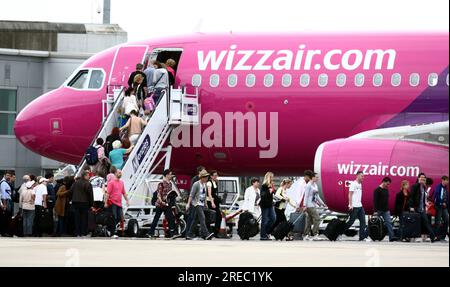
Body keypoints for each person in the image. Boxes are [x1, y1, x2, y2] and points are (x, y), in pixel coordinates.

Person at [185, 170, 214, 240]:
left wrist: (206, 204)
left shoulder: (204, 185)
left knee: (195, 220)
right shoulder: (196, 184)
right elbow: (191, 195)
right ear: (202, 177)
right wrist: (188, 204)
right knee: (202, 218)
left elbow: (204, 195)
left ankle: (189, 234)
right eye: (206, 177)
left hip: (201, 204)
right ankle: (206, 234)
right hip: (196, 204)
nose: (207, 178)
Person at [147, 169, 176, 238]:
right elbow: (158, 194)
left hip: (166, 204)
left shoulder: (170, 184)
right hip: (160, 204)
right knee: (156, 218)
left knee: (170, 218)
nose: (171, 175)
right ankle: (150, 233)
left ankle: (172, 233)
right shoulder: (161, 184)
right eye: (170, 174)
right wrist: (161, 201)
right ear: (167, 175)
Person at [409, 173, 438, 242]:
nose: (422, 179)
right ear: (418, 178)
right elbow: (411, 197)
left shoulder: (423, 187)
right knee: (415, 223)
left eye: (424, 178)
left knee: (426, 222)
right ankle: (412, 237)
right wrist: (411, 206)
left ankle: (432, 237)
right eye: (421, 178)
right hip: (416, 208)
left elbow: (423, 198)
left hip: (422, 209)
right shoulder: (415, 186)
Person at [342, 171, 369, 241]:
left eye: (363, 176)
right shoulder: (353, 184)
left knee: (363, 221)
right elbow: (350, 194)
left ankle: (362, 237)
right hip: (354, 206)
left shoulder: (360, 184)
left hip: (360, 206)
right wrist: (350, 205)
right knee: (351, 222)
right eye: (362, 176)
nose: (363, 177)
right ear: (357, 176)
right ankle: (339, 232)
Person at [105, 169, 129, 238]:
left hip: (119, 203)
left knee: (120, 218)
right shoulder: (111, 183)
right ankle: (112, 233)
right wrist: (106, 202)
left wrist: (127, 200)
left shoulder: (121, 182)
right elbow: (108, 193)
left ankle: (109, 228)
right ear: (115, 173)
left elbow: (124, 192)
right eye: (119, 173)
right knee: (114, 217)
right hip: (112, 202)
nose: (120, 174)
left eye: (121, 173)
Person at [302, 173, 327, 240]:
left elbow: (317, 196)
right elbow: (306, 196)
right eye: (316, 177)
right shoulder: (308, 185)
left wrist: (322, 203)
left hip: (313, 204)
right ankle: (315, 234)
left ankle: (306, 235)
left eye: (318, 177)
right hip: (309, 205)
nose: (317, 178)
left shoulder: (315, 185)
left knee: (309, 220)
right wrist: (304, 205)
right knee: (317, 218)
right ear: (312, 177)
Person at [69, 171, 94, 237]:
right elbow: (90, 195)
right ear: (85, 176)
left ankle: (77, 233)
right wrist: (91, 204)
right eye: (88, 175)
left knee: (77, 218)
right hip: (84, 203)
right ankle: (83, 233)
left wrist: (72, 199)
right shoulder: (88, 184)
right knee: (84, 218)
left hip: (76, 202)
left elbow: (70, 191)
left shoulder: (75, 183)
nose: (89, 177)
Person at [373, 177, 398, 242]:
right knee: (373, 222)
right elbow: (375, 201)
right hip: (378, 210)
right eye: (387, 184)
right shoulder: (377, 190)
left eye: (389, 184)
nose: (388, 185)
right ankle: (365, 235)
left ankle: (391, 237)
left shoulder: (386, 190)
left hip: (386, 210)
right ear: (383, 182)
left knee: (389, 223)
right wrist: (375, 211)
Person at [259, 172, 276, 240]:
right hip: (264, 205)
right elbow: (262, 195)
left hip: (270, 204)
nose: (273, 178)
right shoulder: (264, 185)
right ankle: (263, 236)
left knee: (273, 218)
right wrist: (269, 191)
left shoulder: (271, 185)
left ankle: (266, 232)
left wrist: (273, 189)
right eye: (272, 177)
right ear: (269, 178)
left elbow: (273, 193)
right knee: (265, 220)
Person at [206, 170, 222, 236]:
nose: (216, 177)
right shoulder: (209, 183)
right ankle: (209, 231)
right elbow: (209, 194)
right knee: (210, 217)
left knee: (219, 216)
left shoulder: (215, 182)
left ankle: (216, 232)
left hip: (215, 201)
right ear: (211, 176)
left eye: (216, 175)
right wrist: (212, 203)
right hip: (210, 201)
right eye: (215, 175)